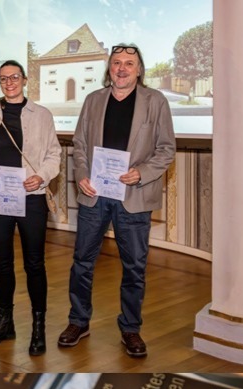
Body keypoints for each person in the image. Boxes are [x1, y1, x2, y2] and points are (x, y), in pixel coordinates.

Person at [59, 43, 176, 358]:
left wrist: (140, 173)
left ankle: (130, 328)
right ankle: (78, 321)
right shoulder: (94, 100)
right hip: (95, 194)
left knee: (134, 267)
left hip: (133, 197)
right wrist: (81, 172)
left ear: (139, 70)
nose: (122, 68)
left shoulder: (156, 101)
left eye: (129, 63)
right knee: (82, 261)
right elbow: (80, 142)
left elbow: (166, 149)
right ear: (108, 68)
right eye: (116, 63)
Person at [0, 61, 61, 355]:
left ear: (25, 80)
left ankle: (39, 327)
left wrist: (42, 176)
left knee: (34, 264)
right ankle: (5, 323)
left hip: (31, 197)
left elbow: (54, 154)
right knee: (2, 264)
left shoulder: (42, 115)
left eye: (14, 77)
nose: (9, 82)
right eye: (3, 78)